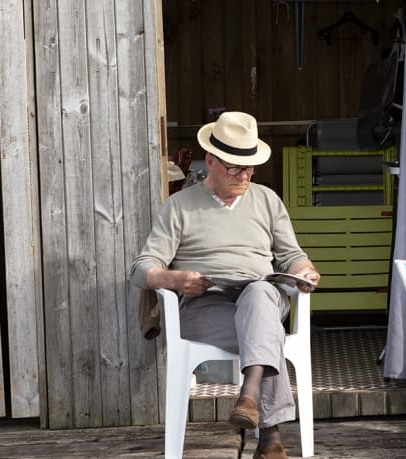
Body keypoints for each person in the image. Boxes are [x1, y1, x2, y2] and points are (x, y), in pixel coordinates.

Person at [129, 111, 320, 459]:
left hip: (261, 296)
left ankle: (249, 395)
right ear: (212, 161)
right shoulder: (179, 206)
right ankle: (270, 440)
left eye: (250, 168)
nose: (244, 175)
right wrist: (177, 279)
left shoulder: (267, 200)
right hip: (207, 304)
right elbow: (142, 269)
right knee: (266, 333)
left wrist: (305, 271)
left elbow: (292, 255)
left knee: (261, 292)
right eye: (235, 167)